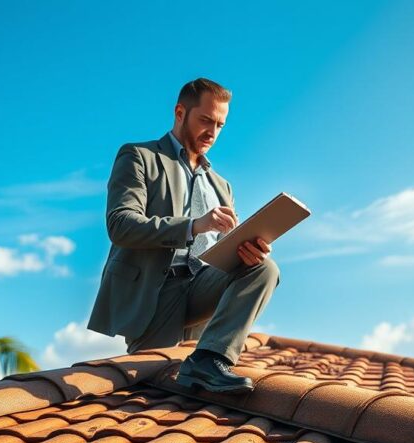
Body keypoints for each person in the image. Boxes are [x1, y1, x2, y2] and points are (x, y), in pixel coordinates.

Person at [88, 78, 279, 394]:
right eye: (206, 120)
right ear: (180, 112)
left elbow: (223, 245)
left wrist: (248, 250)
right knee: (150, 391)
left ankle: (210, 360)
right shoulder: (139, 156)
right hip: (156, 294)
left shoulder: (222, 186)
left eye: (220, 125)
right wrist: (193, 225)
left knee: (264, 269)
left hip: (203, 287)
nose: (213, 133)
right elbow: (120, 224)